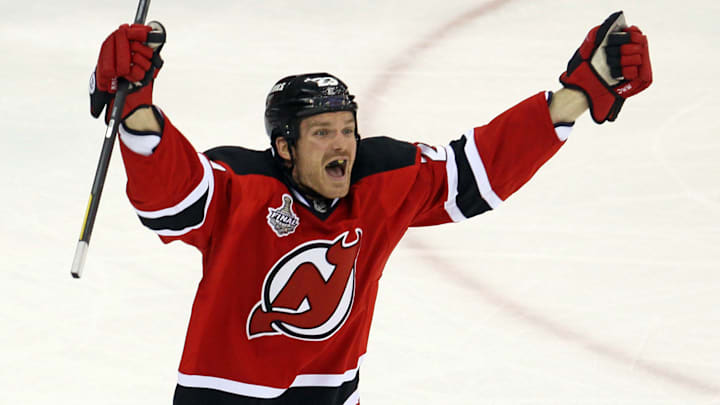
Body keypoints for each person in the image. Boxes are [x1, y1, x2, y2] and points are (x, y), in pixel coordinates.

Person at [89, 11, 651, 405]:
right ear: (283, 147)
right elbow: (173, 198)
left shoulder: (380, 182)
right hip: (224, 396)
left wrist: (581, 93)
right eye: (322, 133)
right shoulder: (243, 185)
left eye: (347, 130)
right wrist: (136, 107)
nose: (342, 144)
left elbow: (479, 168)